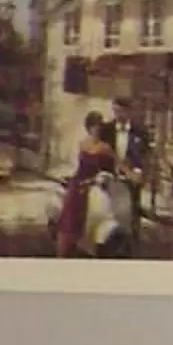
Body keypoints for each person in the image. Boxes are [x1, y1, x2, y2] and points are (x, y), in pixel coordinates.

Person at [55, 110, 118, 258]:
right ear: (88, 127)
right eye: (94, 126)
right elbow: (77, 166)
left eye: (99, 126)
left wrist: (105, 176)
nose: (97, 129)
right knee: (68, 219)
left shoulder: (105, 147)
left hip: (93, 183)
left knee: (94, 213)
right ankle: (62, 251)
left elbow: (116, 166)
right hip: (78, 184)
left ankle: (89, 247)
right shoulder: (82, 144)